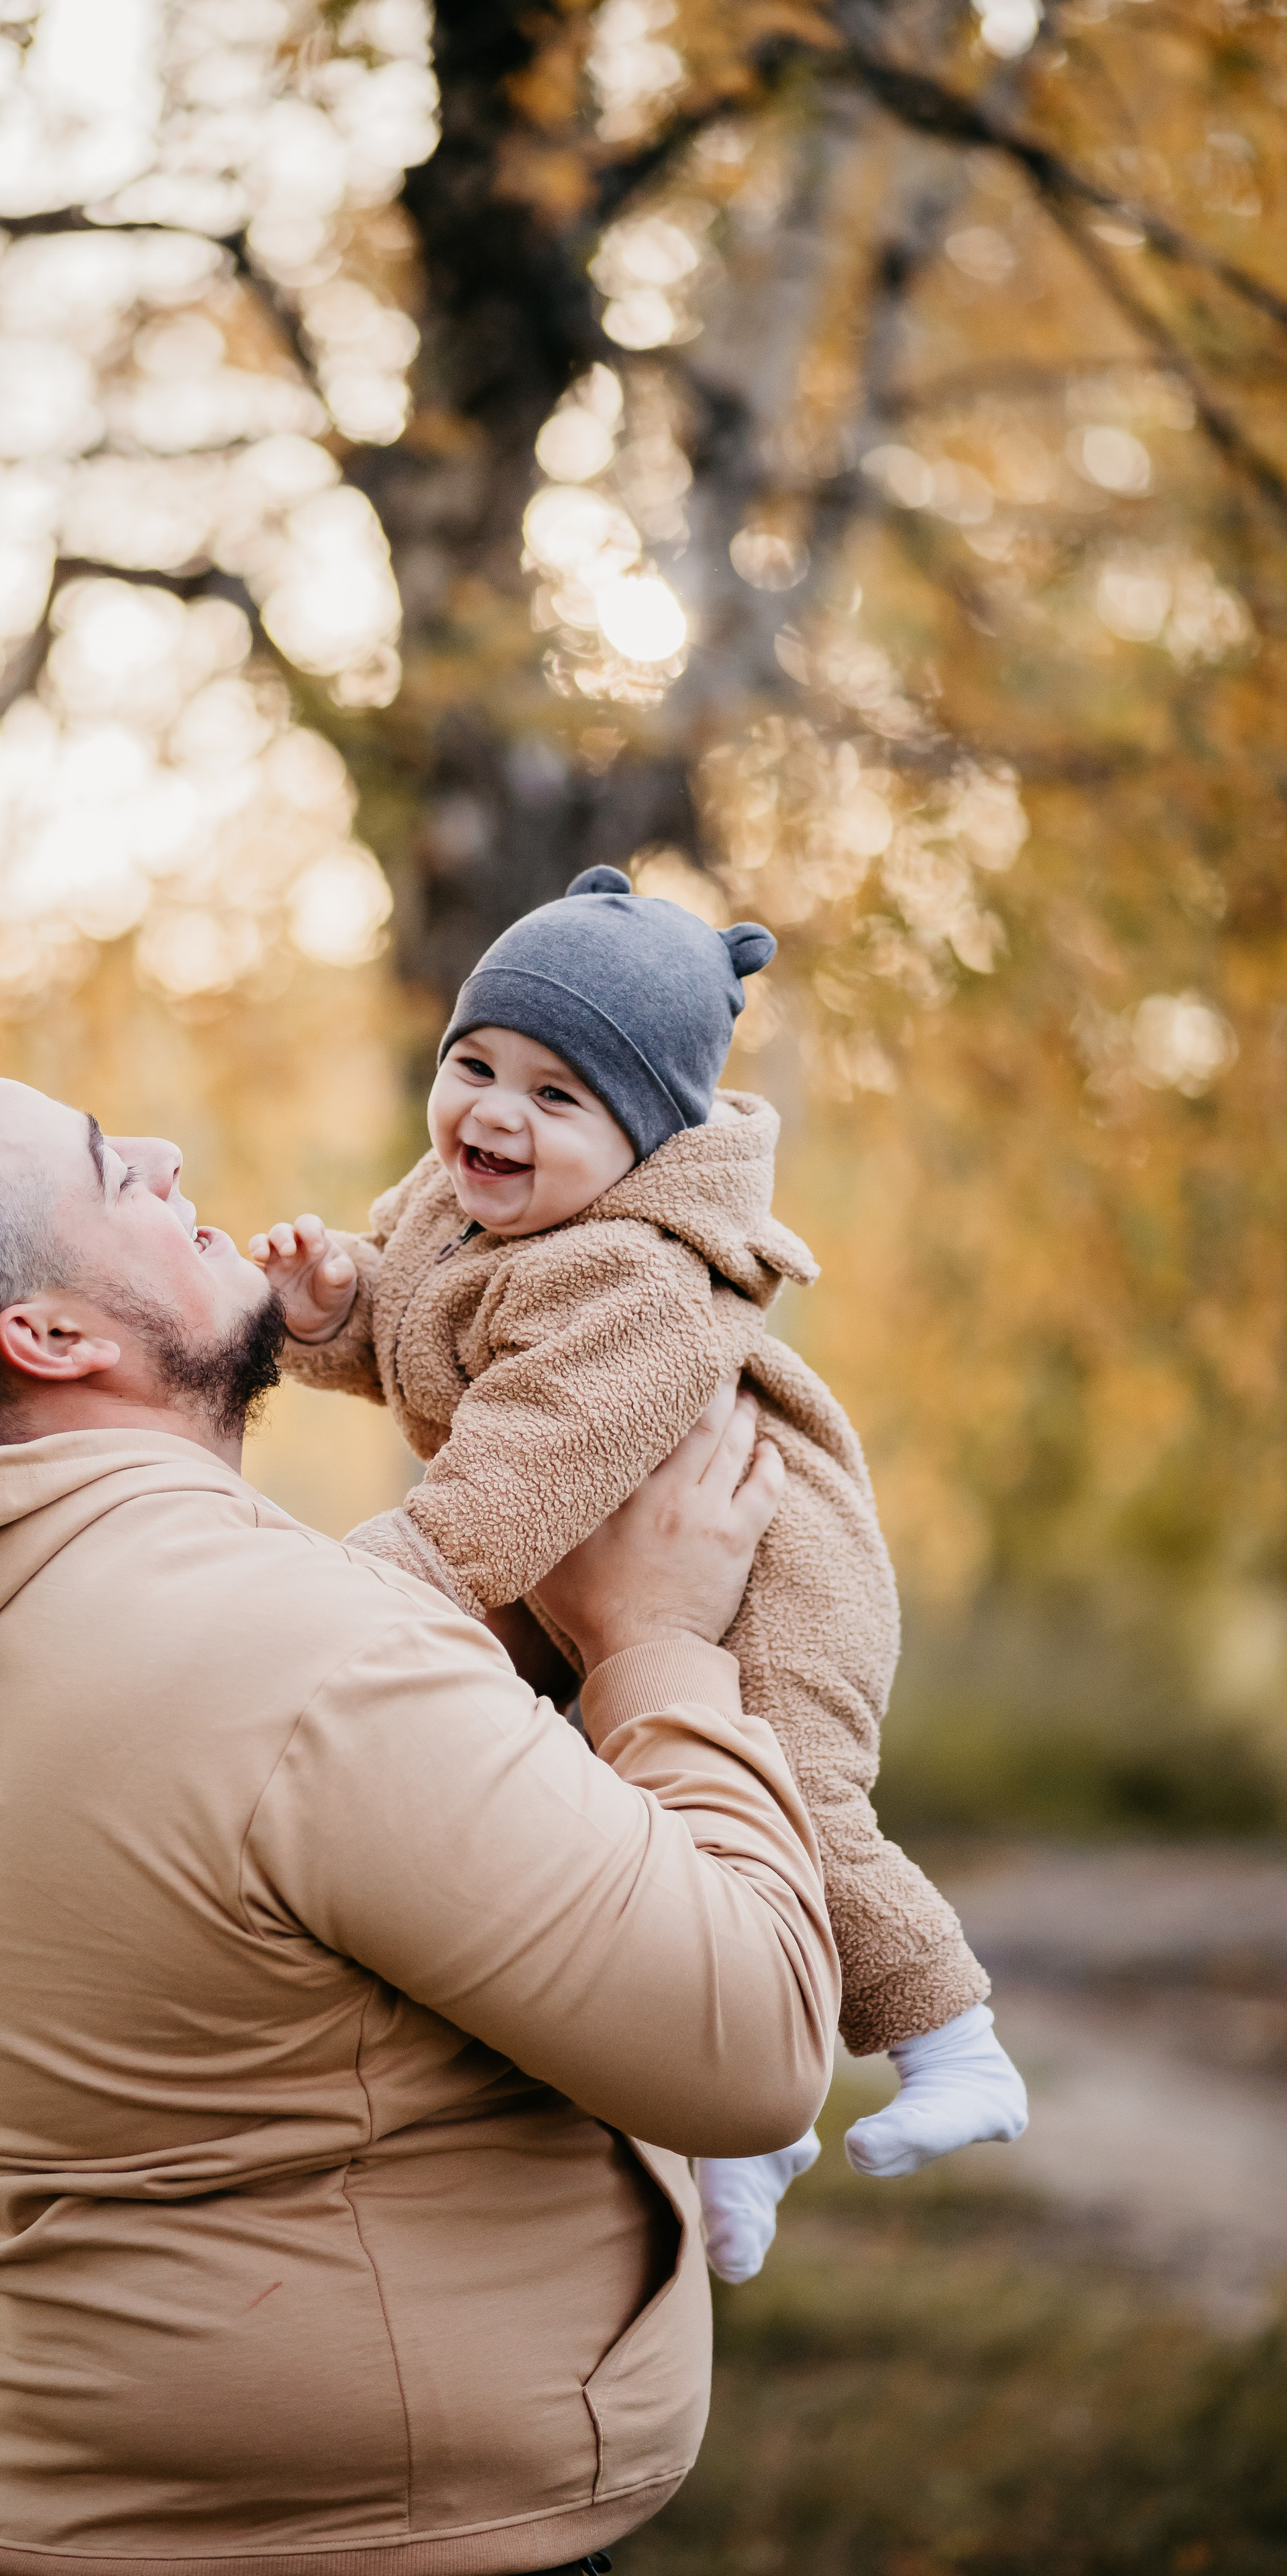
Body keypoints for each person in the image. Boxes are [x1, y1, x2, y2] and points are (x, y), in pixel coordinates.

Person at [0, 1074, 840, 2576]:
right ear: (51, 1337)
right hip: (359, 2544)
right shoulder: (289, 1651)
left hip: (94, 2513)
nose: (163, 1154)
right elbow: (756, 2045)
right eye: (104, 1170)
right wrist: (660, 1643)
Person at [249, 867, 1027, 2286]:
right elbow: (428, 1341)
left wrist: (386, 1579)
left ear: (643, 1137)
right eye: (475, 1066)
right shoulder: (461, 1209)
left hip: (771, 1554)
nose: (491, 1114)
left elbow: (526, 1462)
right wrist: (335, 1308)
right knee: (619, 1826)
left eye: (557, 1098)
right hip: (582, 1545)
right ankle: (737, 2130)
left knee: (792, 1799)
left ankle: (952, 2042)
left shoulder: (636, 1278)